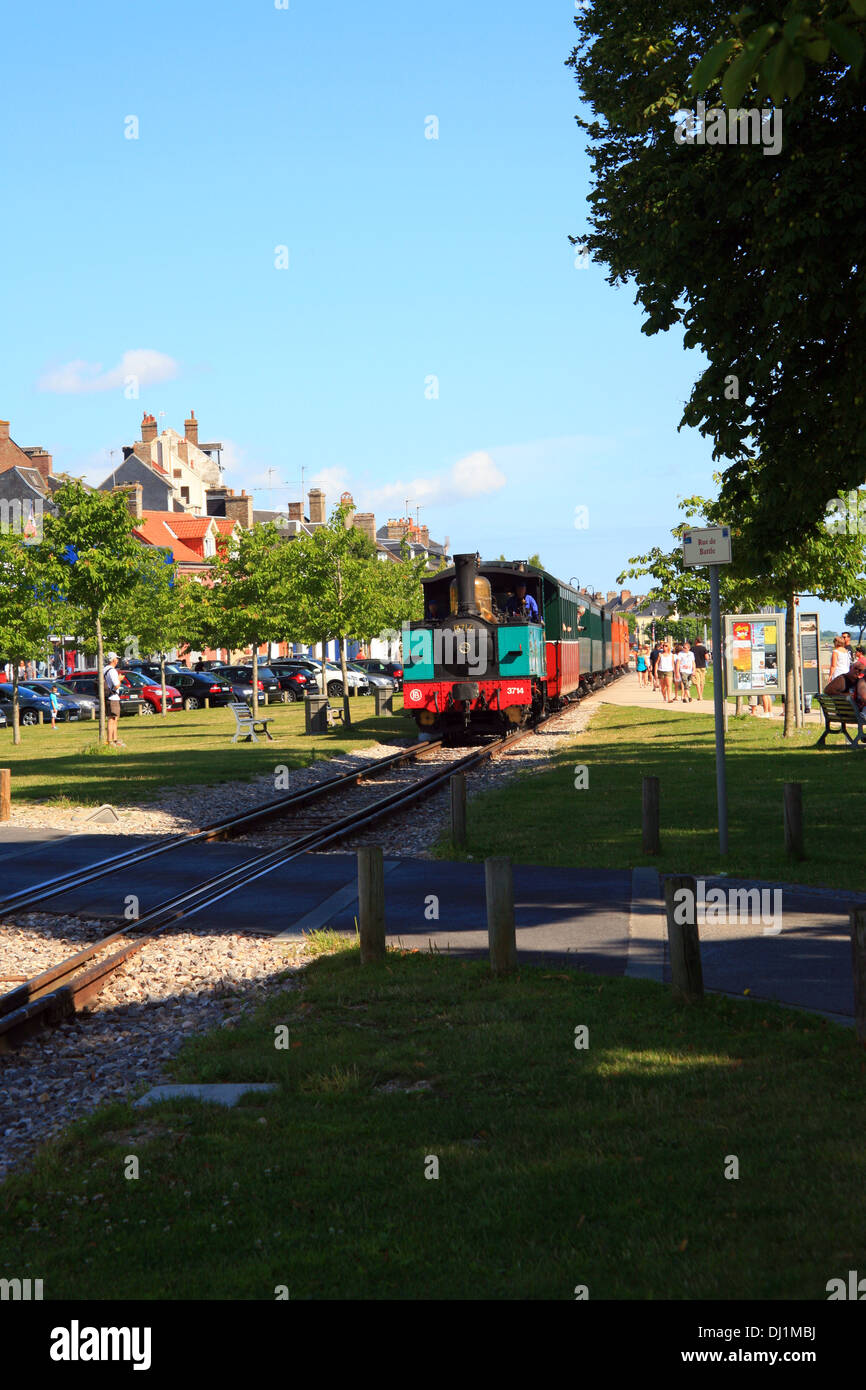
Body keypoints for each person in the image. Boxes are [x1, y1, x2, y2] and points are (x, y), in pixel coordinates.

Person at [103, 653, 125, 748]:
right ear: (113, 660)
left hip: (108, 696)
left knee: (113, 718)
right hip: (113, 697)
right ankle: (110, 740)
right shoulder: (112, 671)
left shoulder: (104, 669)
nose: (117, 660)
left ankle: (114, 740)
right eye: (116, 658)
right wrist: (120, 679)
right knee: (112, 719)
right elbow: (116, 685)